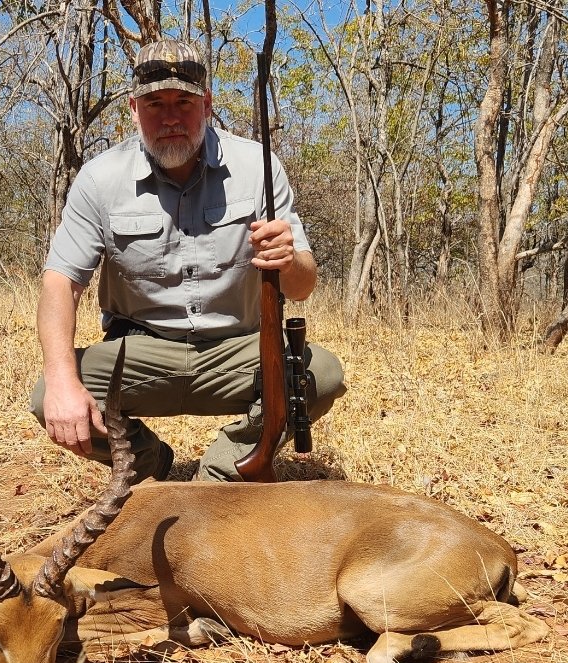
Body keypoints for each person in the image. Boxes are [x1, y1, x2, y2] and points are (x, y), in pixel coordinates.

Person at [30, 39, 346, 482]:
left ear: (208, 105)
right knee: (49, 393)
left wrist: (289, 259)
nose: (171, 117)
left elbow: (303, 287)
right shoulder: (100, 178)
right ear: (133, 109)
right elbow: (60, 281)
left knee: (321, 374)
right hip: (143, 350)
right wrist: (63, 380)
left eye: (184, 101)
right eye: (155, 102)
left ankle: (221, 471)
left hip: (237, 349)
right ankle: (146, 462)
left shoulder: (258, 167)